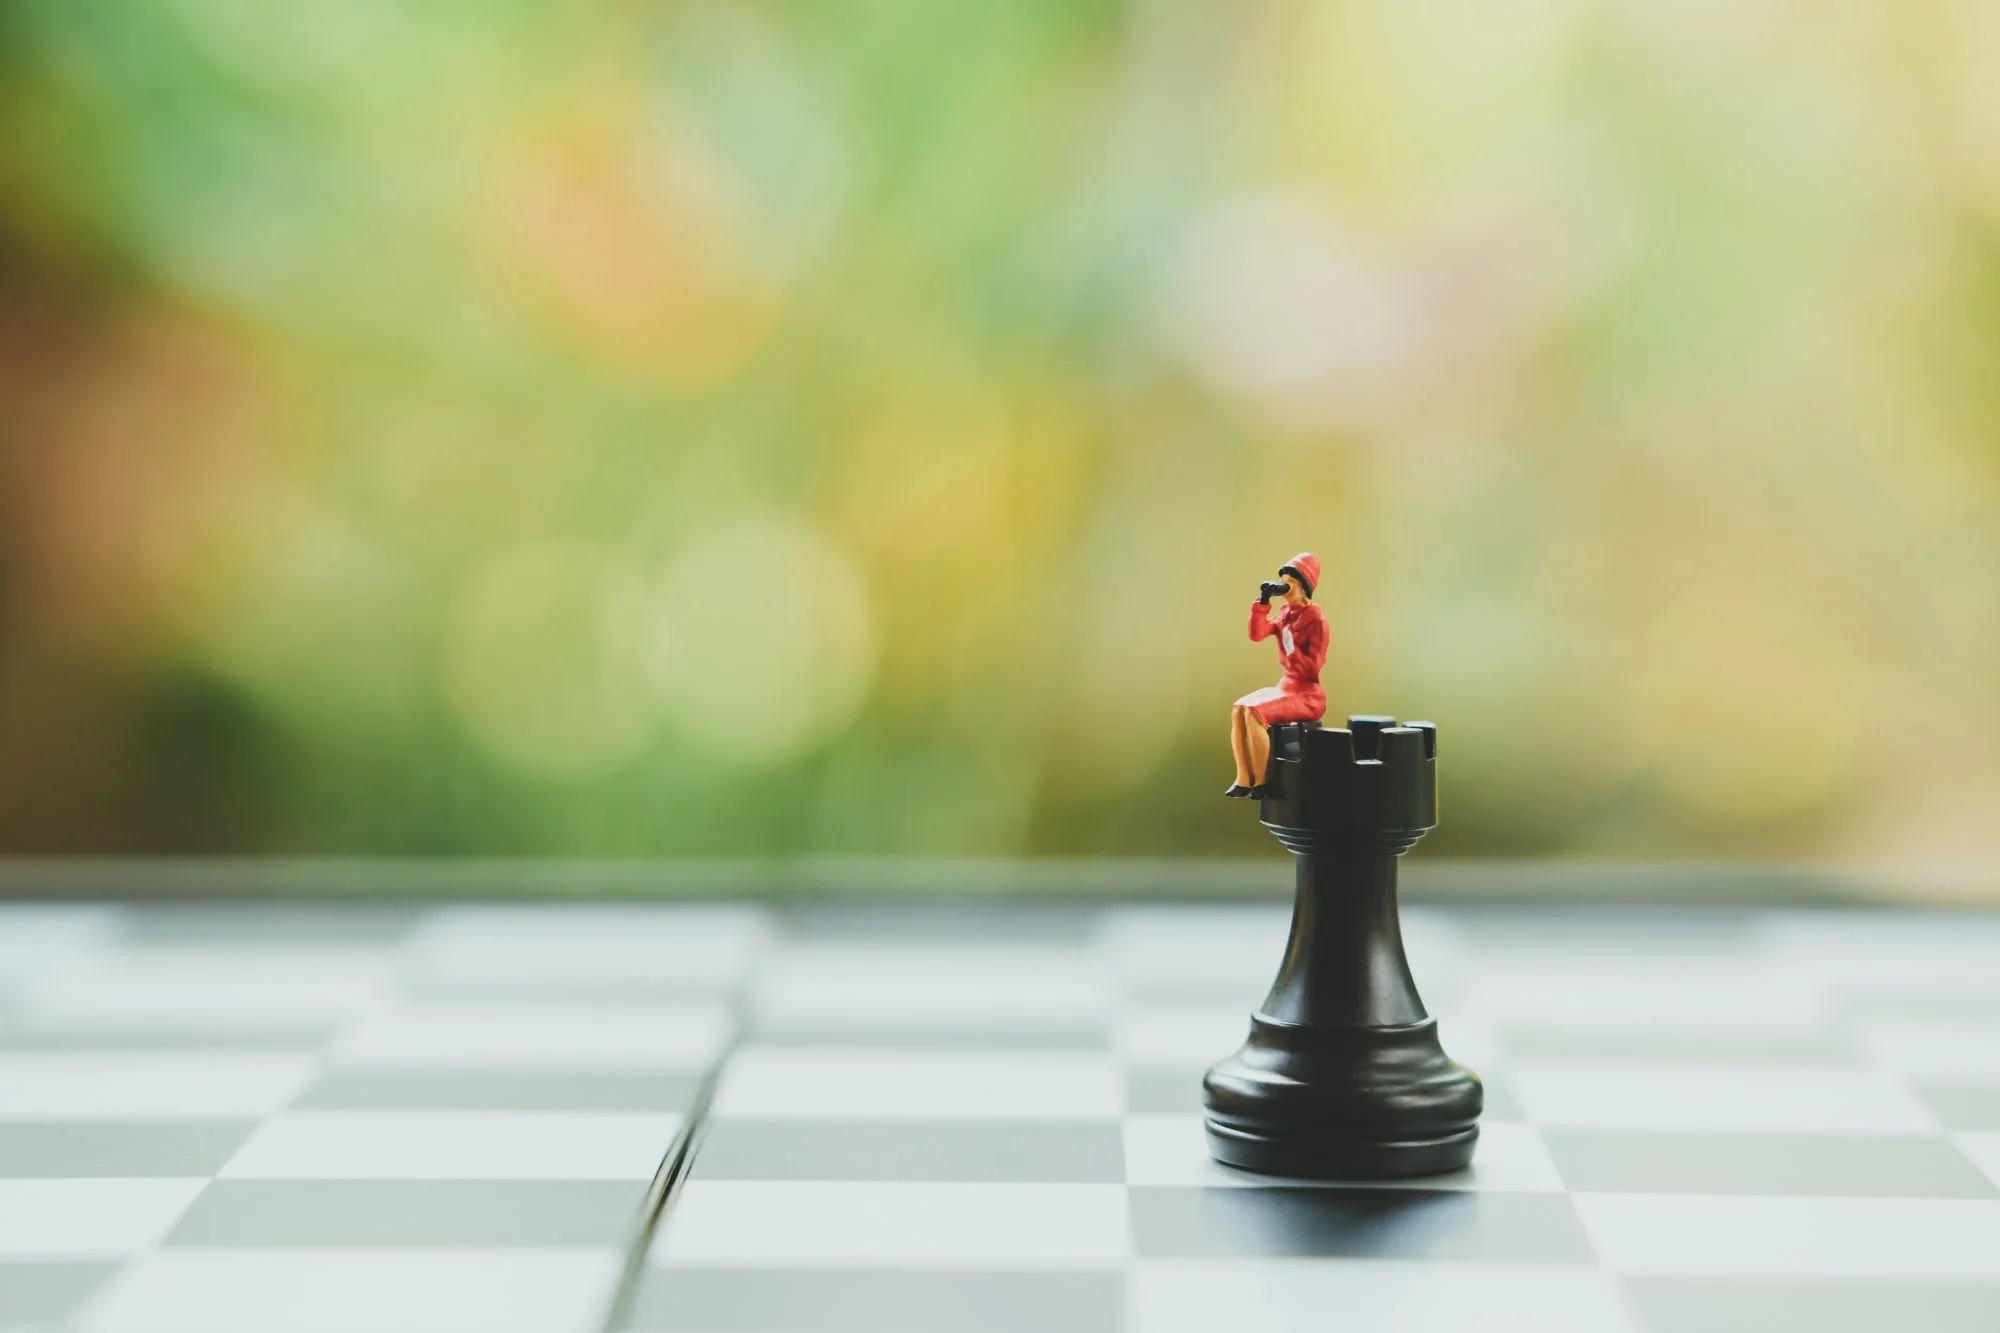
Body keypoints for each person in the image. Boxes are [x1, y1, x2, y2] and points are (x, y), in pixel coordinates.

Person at [1227, 552, 1327, 797]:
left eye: (1292, 579)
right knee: (1240, 709)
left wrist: (1291, 645)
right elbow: (1258, 634)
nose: (1285, 583)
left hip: (1307, 693)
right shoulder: (1284, 614)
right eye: (1283, 577)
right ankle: (1244, 778)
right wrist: (1261, 605)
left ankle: (1261, 781)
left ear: (1304, 586)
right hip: (1287, 685)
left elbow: (1312, 668)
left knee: (1255, 712)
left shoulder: (1316, 621)